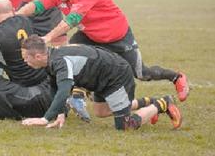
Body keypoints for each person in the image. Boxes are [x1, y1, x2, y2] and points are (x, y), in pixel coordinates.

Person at [17, 0, 190, 102]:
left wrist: (47, 38)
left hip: (117, 36)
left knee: (141, 73)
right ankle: (76, 96)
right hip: (89, 36)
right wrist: (15, 16)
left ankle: (176, 77)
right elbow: (37, 5)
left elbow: (70, 22)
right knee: (68, 56)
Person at [20, 35, 183, 130]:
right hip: (100, 79)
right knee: (101, 112)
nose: (25, 62)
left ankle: (163, 103)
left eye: (26, 58)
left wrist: (45, 119)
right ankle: (150, 102)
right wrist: (60, 114)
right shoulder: (50, 60)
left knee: (125, 126)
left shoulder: (60, 61)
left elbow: (64, 91)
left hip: (116, 76)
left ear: (39, 57)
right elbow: (55, 87)